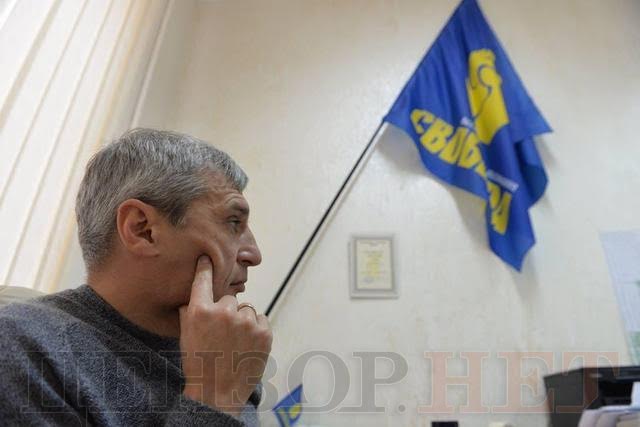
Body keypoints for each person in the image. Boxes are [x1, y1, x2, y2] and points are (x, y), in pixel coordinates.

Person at [0, 129, 272, 426]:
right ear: (142, 229)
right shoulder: (20, 348)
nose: (254, 254)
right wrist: (214, 396)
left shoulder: (229, 347)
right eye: (233, 222)